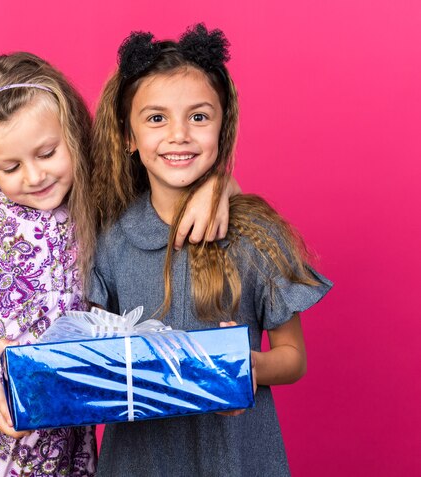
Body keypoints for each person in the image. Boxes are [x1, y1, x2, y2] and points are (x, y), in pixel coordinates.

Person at [0, 52, 236, 476]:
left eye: (47, 153)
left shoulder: (98, 205)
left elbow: (170, 175)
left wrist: (219, 184)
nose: (33, 176)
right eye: (9, 167)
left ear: (72, 135)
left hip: (59, 447)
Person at [89, 24, 333, 476]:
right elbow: (90, 355)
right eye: (156, 118)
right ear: (128, 136)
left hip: (237, 459)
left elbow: (293, 357)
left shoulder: (257, 236)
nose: (179, 135)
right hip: (139, 461)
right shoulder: (111, 241)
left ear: (223, 125)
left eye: (199, 117)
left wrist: (247, 366)